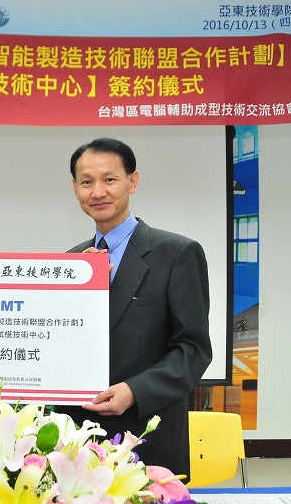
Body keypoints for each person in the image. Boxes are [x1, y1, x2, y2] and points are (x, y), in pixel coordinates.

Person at [60, 137, 212, 479]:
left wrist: (134, 391)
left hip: (147, 435)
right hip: (79, 439)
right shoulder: (71, 262)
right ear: (75, 189)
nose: (98, 192)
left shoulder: (177, 253)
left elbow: (193, 349)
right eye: (86, 182)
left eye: (110, 179)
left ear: (133, 181)